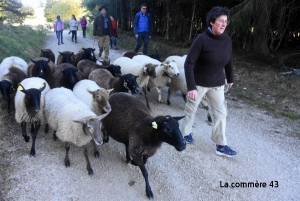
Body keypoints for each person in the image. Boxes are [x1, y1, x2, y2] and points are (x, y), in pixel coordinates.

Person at [179, 6, 237, 157]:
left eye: (226, 21)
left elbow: (229, 60)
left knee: (221, 113)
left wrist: (230, 77)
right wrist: (191, 87)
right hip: (198, 83)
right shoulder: (201, 39)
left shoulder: (227, 40)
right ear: (211, 22)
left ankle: (221, 145)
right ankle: (185, 134)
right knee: (191, 110)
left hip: (217, 83)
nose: (224, 24)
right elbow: (189, 63)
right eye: (220, 21)